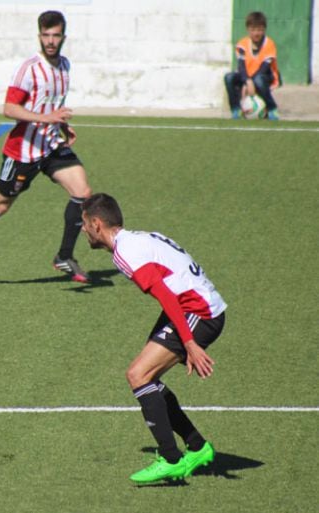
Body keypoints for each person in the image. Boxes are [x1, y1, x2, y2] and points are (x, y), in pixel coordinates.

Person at [80, 193, 227, 484]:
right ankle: (197, 446)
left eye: (84, 224)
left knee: (139, 375)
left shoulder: (125, 253)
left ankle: (172, 459)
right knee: (148, 376)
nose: (82, 230)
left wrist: (189, 343)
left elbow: (166, 295)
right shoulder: (134, 240)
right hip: (191, 307)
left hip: (197, 311)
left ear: (97, 224)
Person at [0, 10, 92, 285]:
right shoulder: (29, 69)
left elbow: (51, 102)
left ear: (64, 36)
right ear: (39, 36)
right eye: (46, 35)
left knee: (83, 192)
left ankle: (64, 256)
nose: (51, 41)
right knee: (0, 206)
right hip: (22, 152)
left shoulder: (65, 66)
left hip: (51, 146)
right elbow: (9, 108)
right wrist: (47, 118)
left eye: (55, 35)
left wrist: (60, 125)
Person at [224, 11, 281, 120]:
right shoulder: (242, 44)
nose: (256, 33)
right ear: (248, 30)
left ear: (264, 29)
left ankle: (272, 108)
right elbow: (241, 66)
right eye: (253, 30)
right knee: (229, 77)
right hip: (247, 76)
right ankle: (236, 110)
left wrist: (251, 82)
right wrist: (247, 81)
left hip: (264, 77)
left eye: (259, 30)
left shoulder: (269, 44)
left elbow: (264, 68)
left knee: (259, 79)